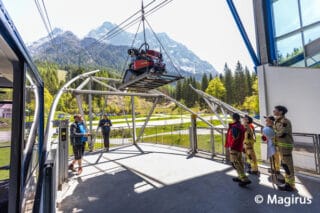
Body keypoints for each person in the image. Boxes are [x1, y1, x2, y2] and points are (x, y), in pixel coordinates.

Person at [225, 113, 251, 186]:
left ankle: (244, 179)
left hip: (234, 148)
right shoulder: (240, 126)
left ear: (233, 118)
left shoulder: (235, 127)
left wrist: (231, 146)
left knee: (235, 163)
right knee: (239, 162)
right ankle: (240, 176)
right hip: (239, 147)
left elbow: (235, 138)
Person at [273, 105, 295, 191]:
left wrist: (272, 132)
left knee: (288, 166)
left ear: (281, 112)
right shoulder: (278, 121)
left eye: (275, 110)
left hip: (285, 146)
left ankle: (290, 185)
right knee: (285, 165)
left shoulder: (285, 121)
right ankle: (287, 181)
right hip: (281, 146)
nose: (274, 111)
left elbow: (281, 133)